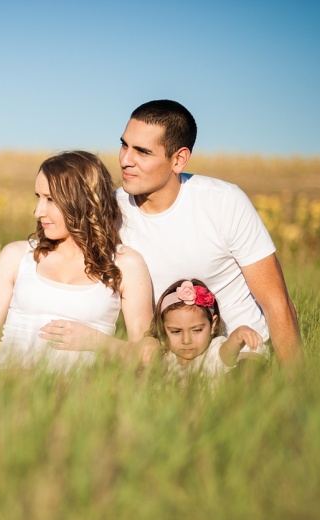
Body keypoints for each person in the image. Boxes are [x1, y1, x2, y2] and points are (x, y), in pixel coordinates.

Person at [46, 100, 302, 365]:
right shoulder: (110, 211)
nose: (125, 160)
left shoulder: (225, 202)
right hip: (163, 359)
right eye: (124, 145)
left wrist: (297, 392)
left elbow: (277, 303)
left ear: (178, 159)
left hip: (238, 355)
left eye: (142, 152)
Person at [0, 150, 153, 371]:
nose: (38, 212)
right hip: (8, 391)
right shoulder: (16, 257)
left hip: (82, 399)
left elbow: (149, 355)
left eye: (51, 199)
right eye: (38, 198)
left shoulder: (126, 264)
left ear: (82, 200)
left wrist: (96, 341)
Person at [148, 279, 264, 381]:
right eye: (176, 331)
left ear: (213, 325)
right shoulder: (166, 357)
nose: (186, 340)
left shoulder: (213, 353)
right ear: (163, 328)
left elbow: (228, 351)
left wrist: (238, 335)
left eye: (197, 330)